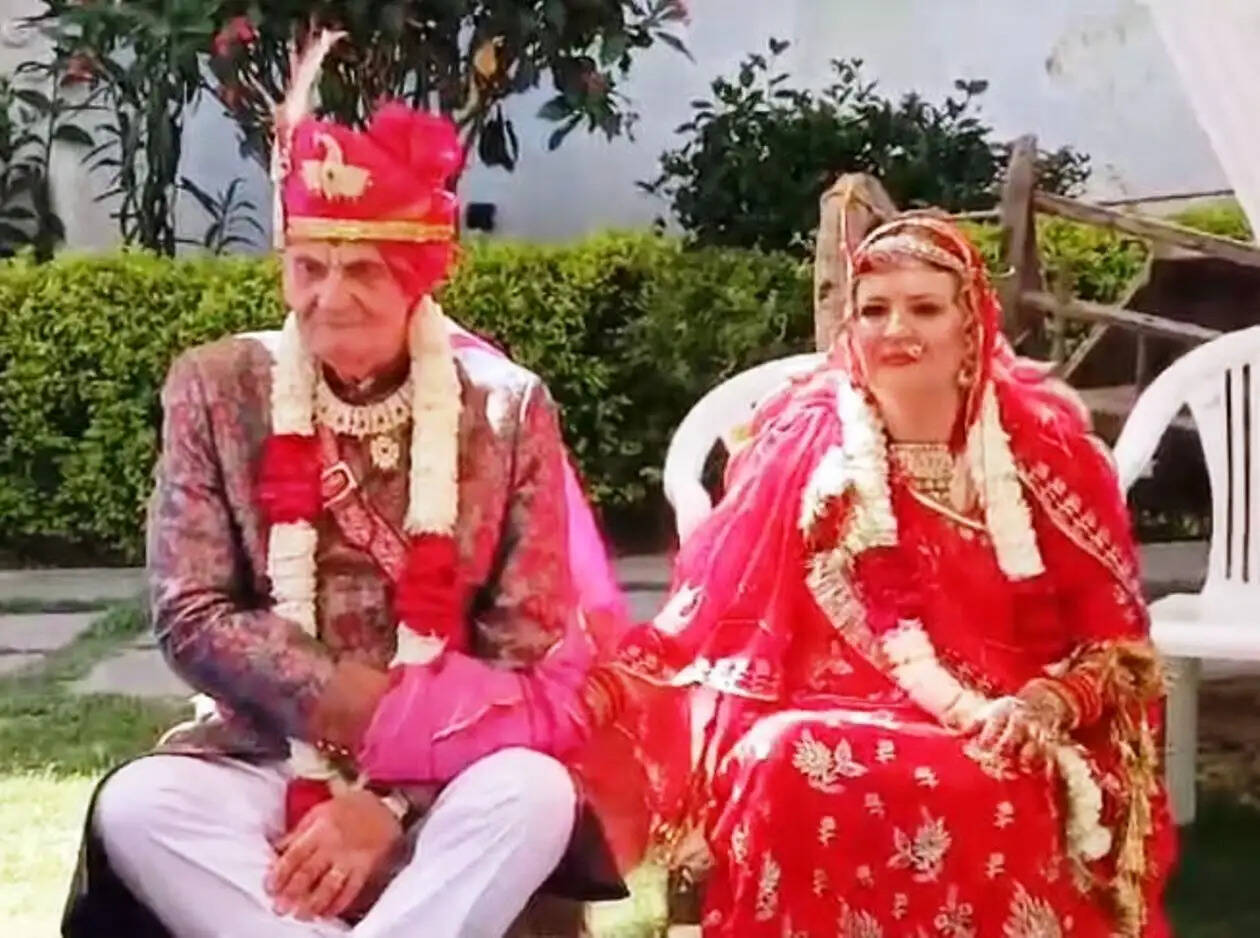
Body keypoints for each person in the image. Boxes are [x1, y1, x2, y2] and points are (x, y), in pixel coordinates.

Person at [61, 36, 628, 938]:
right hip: (263, 753)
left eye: (363, 268)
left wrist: (390, 794)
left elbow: (521, 642)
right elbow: (190, 611)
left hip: (446, 769)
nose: (330, 296)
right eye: (309, 266)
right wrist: (347, 704)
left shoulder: (505, 407)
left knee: (532, 794)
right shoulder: (217, 387)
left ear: (418, 278)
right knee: (142, 807)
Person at [612, 209, 1176, 937]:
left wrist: (1044, 704)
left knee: (994, 783)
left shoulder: (1046, 458)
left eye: (925, 309)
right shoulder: (804, 452)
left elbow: (1120, 651)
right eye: (874, 310)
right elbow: (717, 622)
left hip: (1005, 727)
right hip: (825, 714)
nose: (896, 330)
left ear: (971, 326)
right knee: (781, 757)